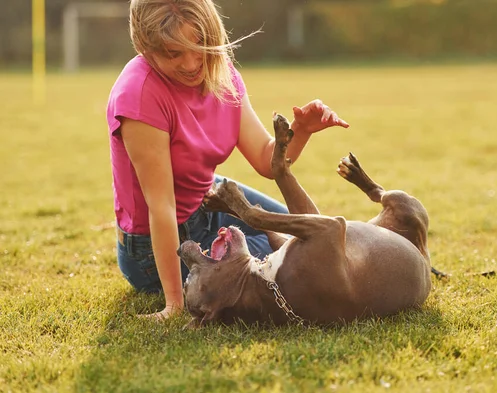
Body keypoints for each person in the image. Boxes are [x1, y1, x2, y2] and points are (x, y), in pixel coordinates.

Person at [106, 0, 349, 320]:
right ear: (145, 47)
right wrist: (175, 305)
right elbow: (161, 206)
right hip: (157, 241)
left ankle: (386, 253)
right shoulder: (139, 95)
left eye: (200, 45)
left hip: (210, 200)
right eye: (173, 52)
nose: (193, 63)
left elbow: (266, 159)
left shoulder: (220, 72)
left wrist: (300, 131)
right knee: (293, 265)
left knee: (312, 236)